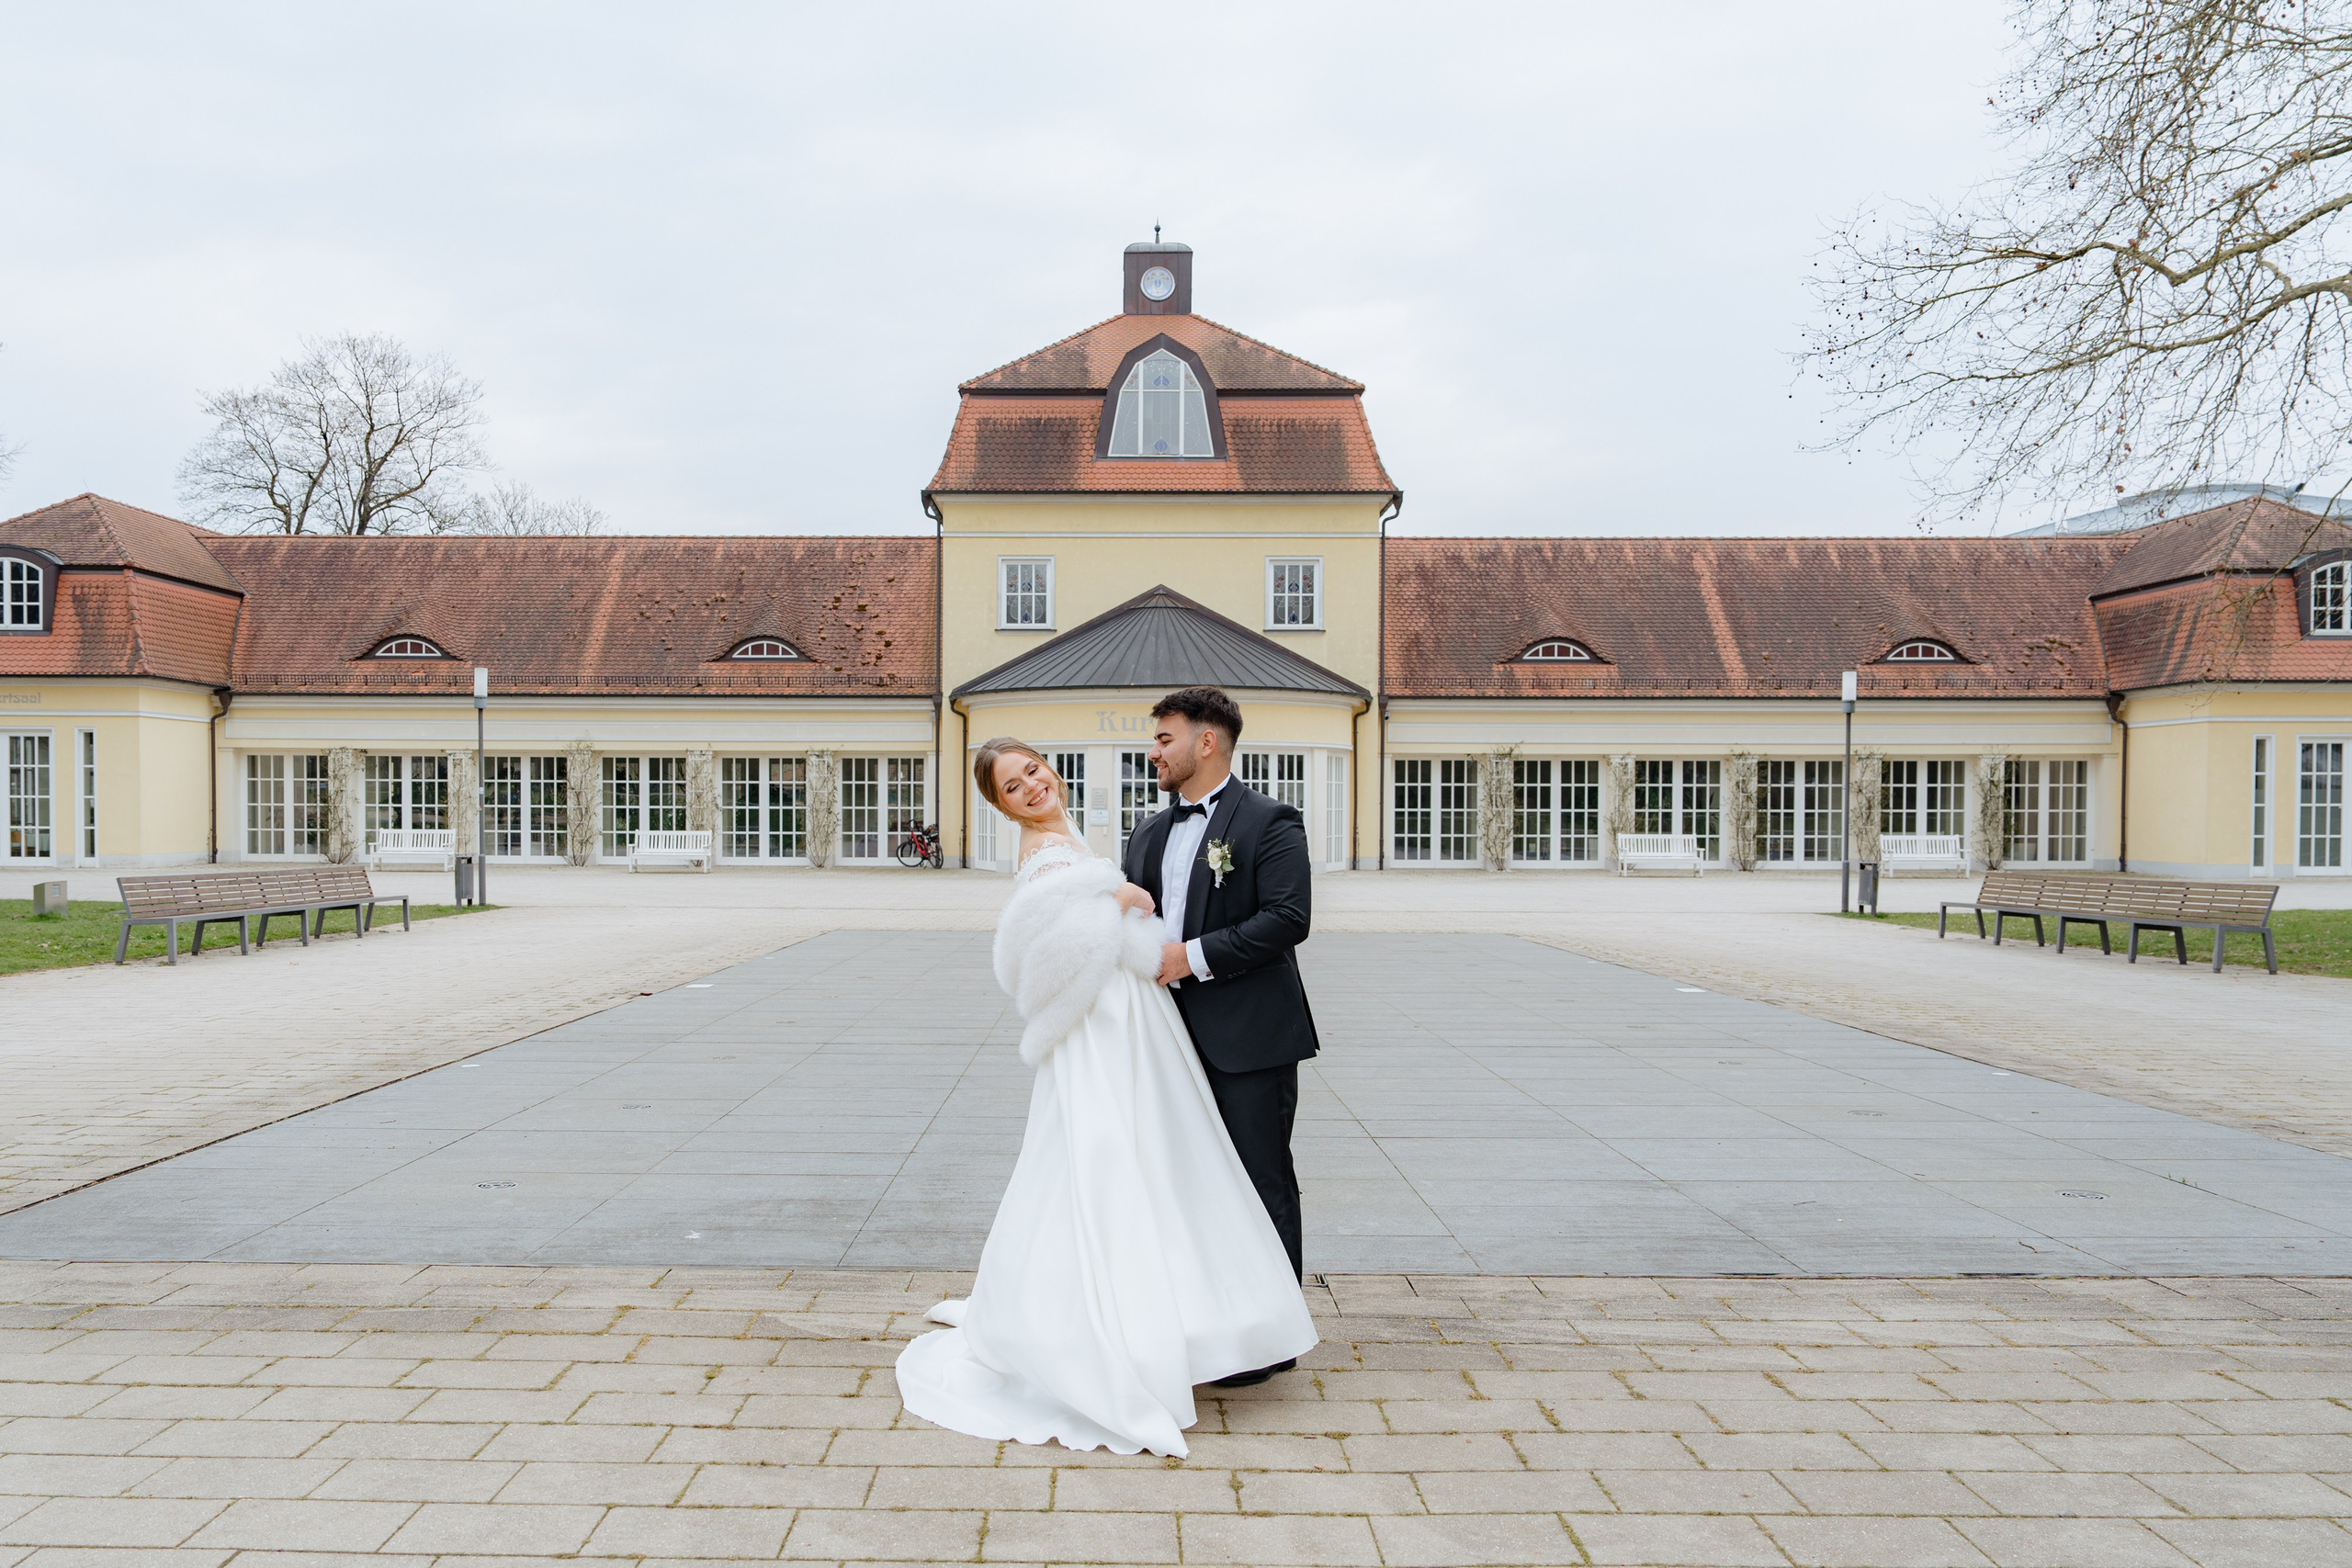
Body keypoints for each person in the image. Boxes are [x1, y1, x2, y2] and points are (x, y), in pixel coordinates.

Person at [893, 739, 1316, 1458]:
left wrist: (1121, 908)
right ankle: (1117, 1326)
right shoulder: (1047, 857)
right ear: (999, 805)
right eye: (1013, 784)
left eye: (1033, 768)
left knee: (1150, 1160)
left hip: (1129, 1021)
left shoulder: (1064, 835)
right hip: (1104, 1026)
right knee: (1111, 1160)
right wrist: (1120, 904)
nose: (1032, 784)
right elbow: (1061, 950)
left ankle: (1181, 1317)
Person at [1124, 686, 1318, 1386]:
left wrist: (1191, 957)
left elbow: (1288, 917)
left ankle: (1270, 1337)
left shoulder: (1270, 820)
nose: (1154, 751)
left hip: (1250, 1036)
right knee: (1186, 1182)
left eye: (1165, 738)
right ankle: (1204, 1321)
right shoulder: (1147, 833)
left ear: (1207, 742)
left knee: (1260, 1179)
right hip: (1165, 1042)